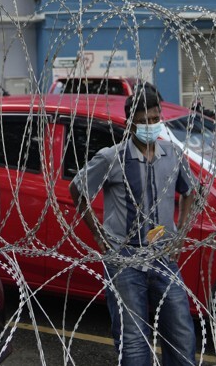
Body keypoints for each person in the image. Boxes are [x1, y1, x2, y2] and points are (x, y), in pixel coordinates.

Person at [70, 85, 199, 366]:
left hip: (163, 256)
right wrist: (97, 233)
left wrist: (180, 235)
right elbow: (77, 189)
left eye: (155, 120)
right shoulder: (111, 158)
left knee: (181, 336)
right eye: (144, 121)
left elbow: (191, 192)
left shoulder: (172, 155)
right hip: (124, 259)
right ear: (130, 124)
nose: (151, 126)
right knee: (133, 345)